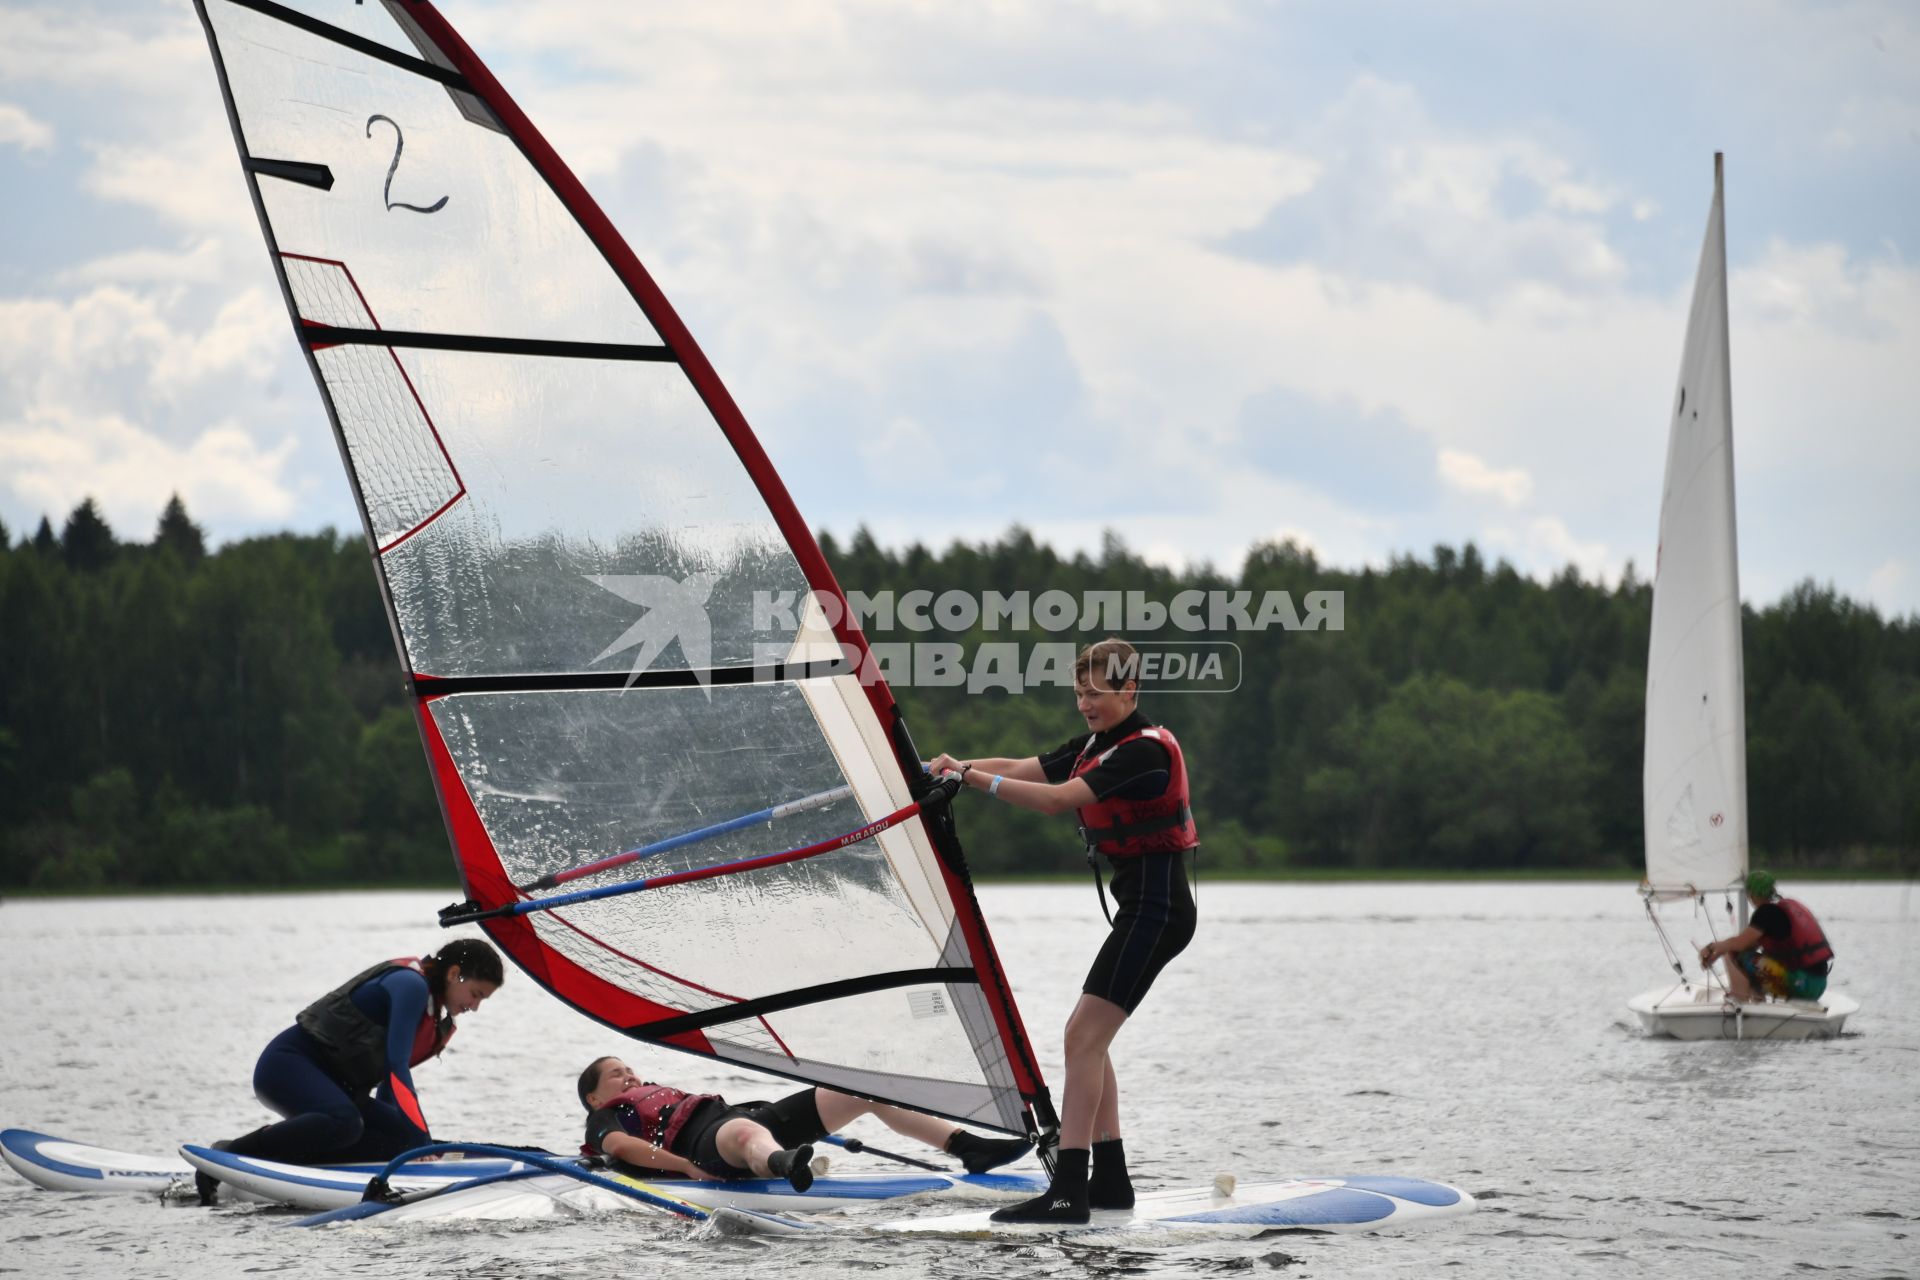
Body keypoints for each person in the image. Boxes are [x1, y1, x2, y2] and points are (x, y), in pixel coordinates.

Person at [927, 637, 1197, 1224]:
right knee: (1088, 1039)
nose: (1084, 704)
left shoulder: (1142, 753)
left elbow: (1057, 800)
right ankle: (1112, 1182)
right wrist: (956, 767)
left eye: (1095, 693)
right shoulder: (1099, 745)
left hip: (1159, 911)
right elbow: (1024, 768)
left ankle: (1070, 1189)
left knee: (1081, 1038)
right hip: (1143, 911)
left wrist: (972, 783)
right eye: (1078, 693)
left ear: (1129, 689)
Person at [195, 938, 504, 1203]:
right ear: (454, 974)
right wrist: (422, 1140)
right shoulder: (410, 985)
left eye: (482, 1000)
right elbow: (397, 1070)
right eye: (475, 994)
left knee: (397, 1140)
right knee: (346, 1122)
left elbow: (388, 1083)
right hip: (286, 1065)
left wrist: (405, 1142)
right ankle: (229, 1152)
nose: (474, 1007)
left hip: (339, 1090)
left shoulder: (436, 1020)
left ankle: (294, 1163)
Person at [577, 1056, 1032, 1189]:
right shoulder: (603, 1117)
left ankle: (967, 1145)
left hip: (747, 1117)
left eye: (630, 1069)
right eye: (618, 1074)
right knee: (744, 1135)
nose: (631, 1076)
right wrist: (686, 1169)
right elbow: (621, 1148)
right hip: (708, 1147)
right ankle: (782, 1164)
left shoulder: (648, 1093)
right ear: (596, 1095)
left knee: (860, 1089)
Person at [1698, 870, 1835, 1002]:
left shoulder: (1765, 913)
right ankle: (1758, 1002)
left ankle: (1739, 1001)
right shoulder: (1780, 910)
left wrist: (1711, 948)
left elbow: (1739, 944)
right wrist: (1716, 955)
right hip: (1818, 985)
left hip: (1801, 983)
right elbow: (1748, 944)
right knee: (1747, 958)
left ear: (1751, 894)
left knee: (1732, 953)